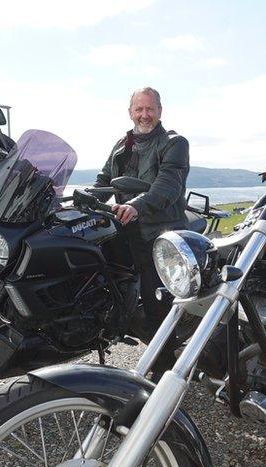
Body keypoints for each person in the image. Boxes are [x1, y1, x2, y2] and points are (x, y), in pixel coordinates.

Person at [94, 87, 190, 342]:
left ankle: (164, 366)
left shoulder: (174, 142)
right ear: (130, 112)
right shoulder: (121, 145)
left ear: (160, 110)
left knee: (156, 302)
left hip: (159, 233)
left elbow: (168, 184)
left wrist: (136, 205)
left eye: (150, 109)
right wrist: (73, 203)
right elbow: (104, 181)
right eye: (139, 109)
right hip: (125, 229)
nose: (144, 115)